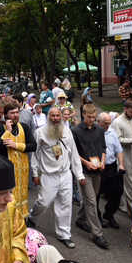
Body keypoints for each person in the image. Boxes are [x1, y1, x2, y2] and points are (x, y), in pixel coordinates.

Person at [28, 107, 85, 249]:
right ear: (48, 117)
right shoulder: (40, 132)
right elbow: (34, 155)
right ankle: (32, 218)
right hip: (48, 175)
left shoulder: (67, 131)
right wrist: (35, 174)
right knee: (43, 202)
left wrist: (79, 174)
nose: (55, 118)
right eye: (52, 116)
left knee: (65, 205)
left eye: (57, 115)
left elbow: (74, 154)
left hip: (65, 174)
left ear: (61, 116)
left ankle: (64, 234)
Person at [71, 104, 109, 250]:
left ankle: (81, 219)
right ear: (83, 115)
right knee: (92, 201)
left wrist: (103, 161)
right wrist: (86, 163)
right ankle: (97, 234)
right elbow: (73, 153)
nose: (91, 120)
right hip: (84, 171)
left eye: (94, 117)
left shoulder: (99, 130)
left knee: (91, 198)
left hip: (97, 169)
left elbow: (103, 147)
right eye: (89, 117)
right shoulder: (75, 131)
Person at [0, 101, 37, 219]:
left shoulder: (24, 127)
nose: (15, 115)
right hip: (7, 169)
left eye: (17, 112)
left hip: (23, 169)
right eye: (12, 113)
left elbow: (33, 146)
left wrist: (16, 145)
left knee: (23, 195)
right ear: (6, 115)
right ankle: (9, 221)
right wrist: (8, 131)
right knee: (9, 197)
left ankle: (22, 220)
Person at [110, 99, 132, 220]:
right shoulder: (117, 122)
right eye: (131, 112)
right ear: (125, 109)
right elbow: (117, 140)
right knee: (130, 184)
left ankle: (124, 206)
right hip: (125, 156)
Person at [97, 112, 125, 229]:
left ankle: (109, 214)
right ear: (99, 122)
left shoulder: (112, 132)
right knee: (96, 194)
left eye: (109, 123)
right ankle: (96, 217)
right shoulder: (94, 133)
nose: (108, 125)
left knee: (117, 192)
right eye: (105, 123)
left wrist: (121, 164)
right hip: (98, 168)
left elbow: (119, 150)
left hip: (111, 166)